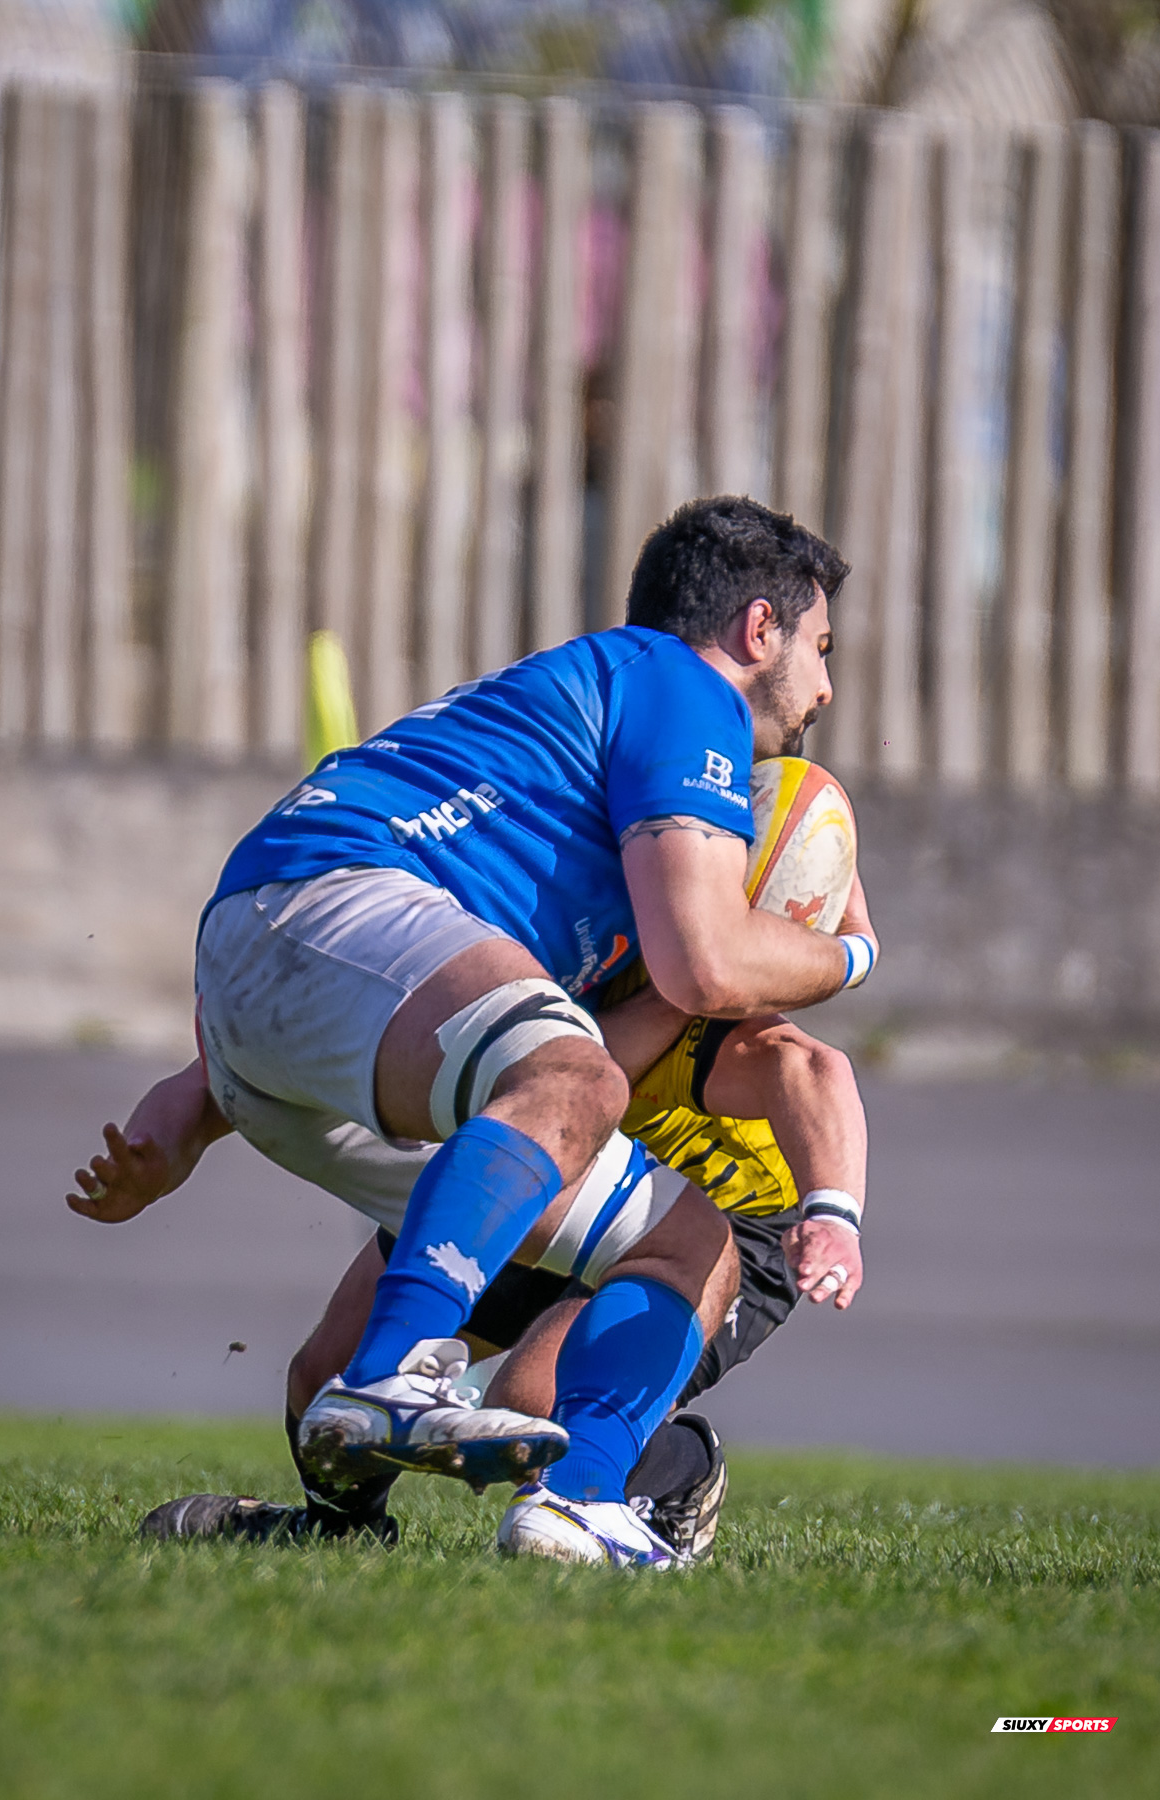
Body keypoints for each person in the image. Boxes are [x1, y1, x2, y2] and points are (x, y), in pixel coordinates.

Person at [78, 496, 875, 1567]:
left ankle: (566, 1507)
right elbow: (707, 959)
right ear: (757, 628)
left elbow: (356, 989)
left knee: (688, 1240)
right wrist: (854, 953)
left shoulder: (550, 789)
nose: (823, 687)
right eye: (820, 648)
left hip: (281, 990)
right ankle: (398, 1374)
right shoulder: (681, 685)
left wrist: (173, 1126)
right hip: (338, 904)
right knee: (575, 1079)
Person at [72, 978, 870, 1560]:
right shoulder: (499, 943)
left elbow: (808, 1069)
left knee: (532, 1402)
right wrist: (160, 1147)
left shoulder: (693, 985)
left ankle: (674, 1476)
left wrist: (831, 1214)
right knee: (328, 1380)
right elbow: (233, 1068)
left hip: (728, 1213)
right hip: (552, 1180)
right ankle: (339, 1536)